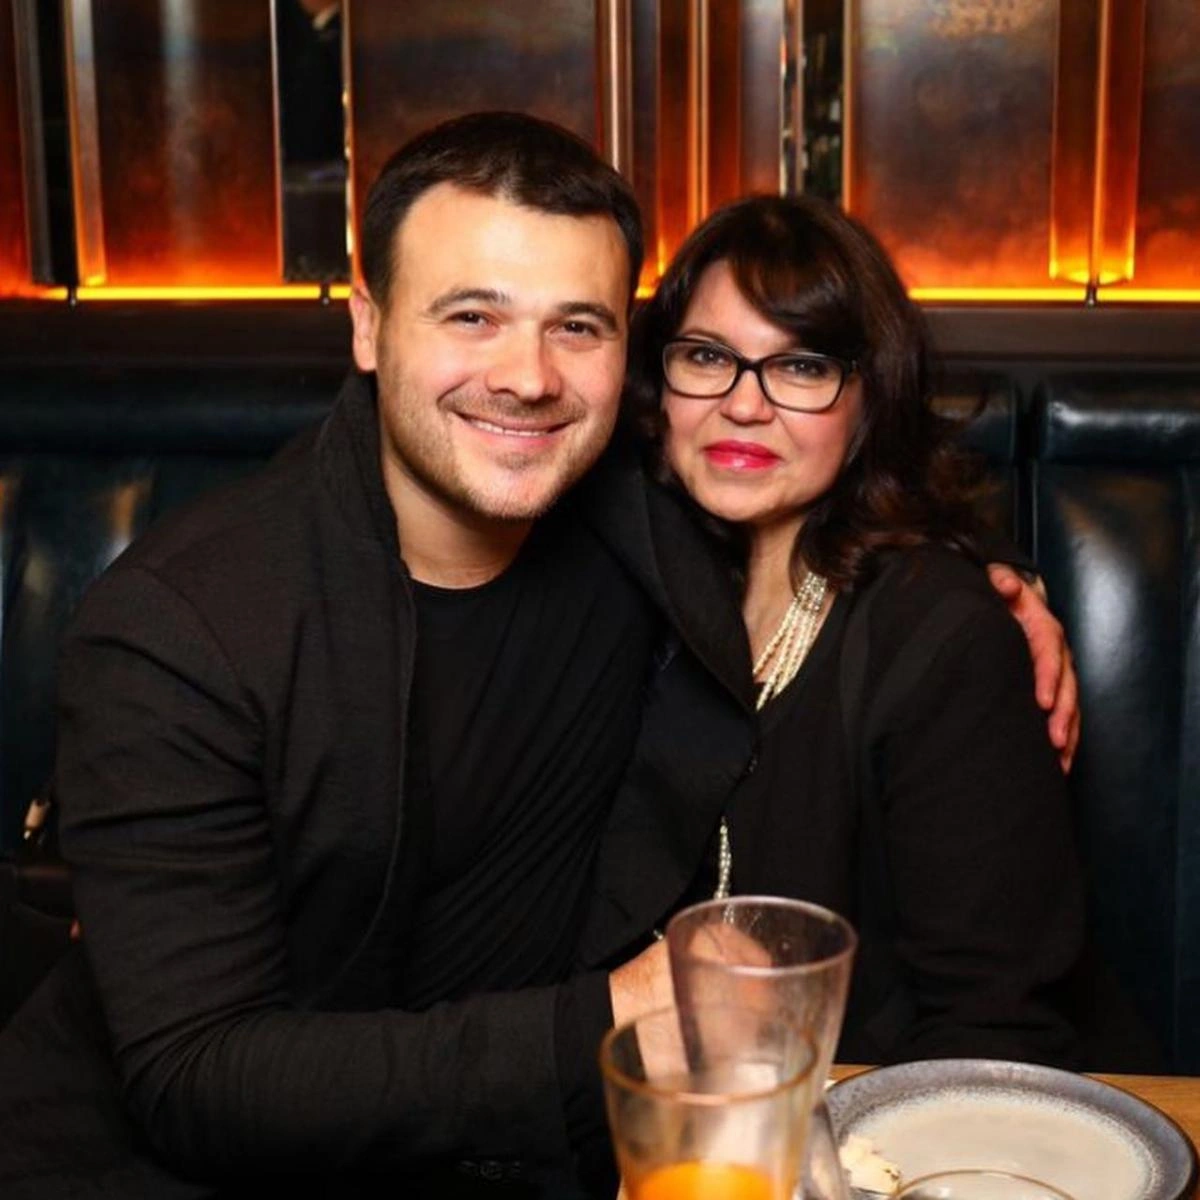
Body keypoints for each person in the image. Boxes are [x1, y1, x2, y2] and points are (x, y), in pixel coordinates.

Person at [0, 116, 1074, 1197]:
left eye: (578, 327)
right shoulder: (183, 630)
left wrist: (986, 584)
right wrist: (621, 1011)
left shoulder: (620, 512)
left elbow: (806, 483)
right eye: (472, 315)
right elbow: (195, 1078)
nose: (527, 377)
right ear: (369, 324)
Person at [581, 194, 1086, 1067]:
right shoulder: (627, 573)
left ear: (869, 400)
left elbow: (991, 1028)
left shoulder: (944, 640)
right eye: (707, 356)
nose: (744, 405)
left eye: (802, 367)